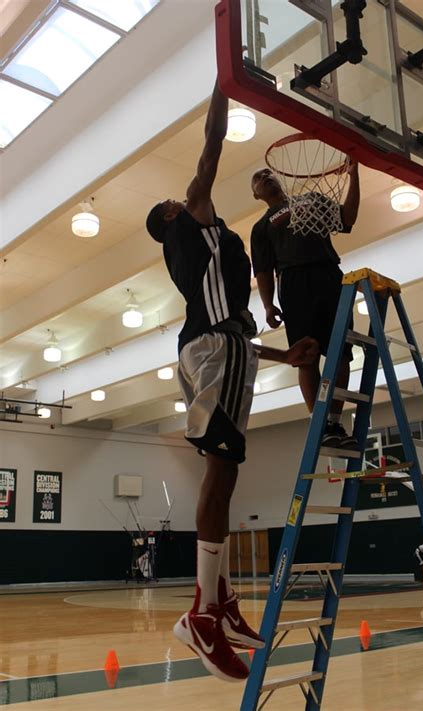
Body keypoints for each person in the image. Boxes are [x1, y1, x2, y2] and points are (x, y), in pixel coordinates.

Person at [146, 80, 319, 683]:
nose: (189, 196)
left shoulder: (206, 250)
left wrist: (283, 355)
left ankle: (216, 602)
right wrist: (225, 79)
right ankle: (201, 614)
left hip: (227, 347)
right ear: (172, 215)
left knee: (229, 469)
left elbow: (233, 328)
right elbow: (211, 143)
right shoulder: (187, 221)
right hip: (214, 350)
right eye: (180, 200)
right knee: (220, 471)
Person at [250, 158, 360, 448]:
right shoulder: (261, 227)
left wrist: (354, 176)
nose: (265, 176)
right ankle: (319, 424)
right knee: (306, 354)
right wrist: (268, 304)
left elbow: (347, 218)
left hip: (328, 276)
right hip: (293, 283)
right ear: (255, 194)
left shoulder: (311, 199)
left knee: (342, 352)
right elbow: (262, 269)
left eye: (267, 173)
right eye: (258, 178)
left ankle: (335, 424)